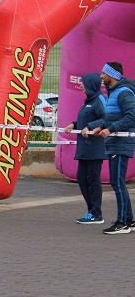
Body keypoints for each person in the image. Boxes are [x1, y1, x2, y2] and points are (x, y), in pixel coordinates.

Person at [85, 62, 135, 234]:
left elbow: (132, 117)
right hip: (114, 143)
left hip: (121, 143)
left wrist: (110, 129)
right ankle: (129, 219)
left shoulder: (124, 93)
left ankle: (122, 223)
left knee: (117, 183)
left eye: (103, 73)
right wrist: (102, 126)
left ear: (112, 75)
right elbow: (112, 117)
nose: (101, 76)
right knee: (118, 182)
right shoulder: (113, 93)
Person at [64, 74, 107, 224]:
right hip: (84, 148)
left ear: (91, 84)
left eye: (83, 83)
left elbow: (106, 119)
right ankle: (91, 211)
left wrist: (90, 127)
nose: (81, 85)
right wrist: (75, 125)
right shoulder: (87, 101)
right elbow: (85, 119)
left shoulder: (100, 100)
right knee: (82, 178)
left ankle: (97, 213)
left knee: (93, 180)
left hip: (95, 148)